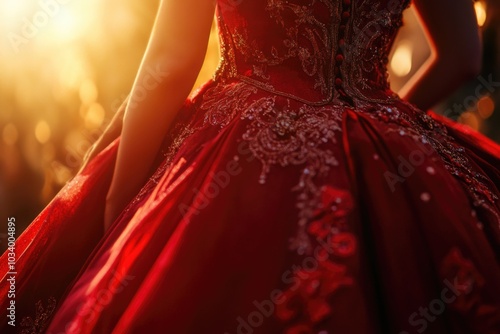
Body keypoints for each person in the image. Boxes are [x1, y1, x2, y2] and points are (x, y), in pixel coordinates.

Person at [1, 0, 499, 333]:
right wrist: (379, 133)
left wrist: (116, 206)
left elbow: (171, 64)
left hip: (238, 144)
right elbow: (463, 56)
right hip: (392, 137)